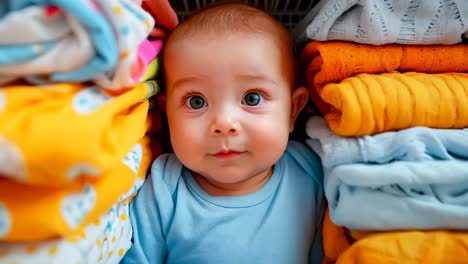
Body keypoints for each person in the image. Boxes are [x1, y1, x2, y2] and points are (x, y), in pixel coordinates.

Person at [122, 2, 324, 263]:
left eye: (252, 98)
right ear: (167, 114)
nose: (224, 123)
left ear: (292, 111)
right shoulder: (165, 188)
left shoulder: (310, 172)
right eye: (196, 101)